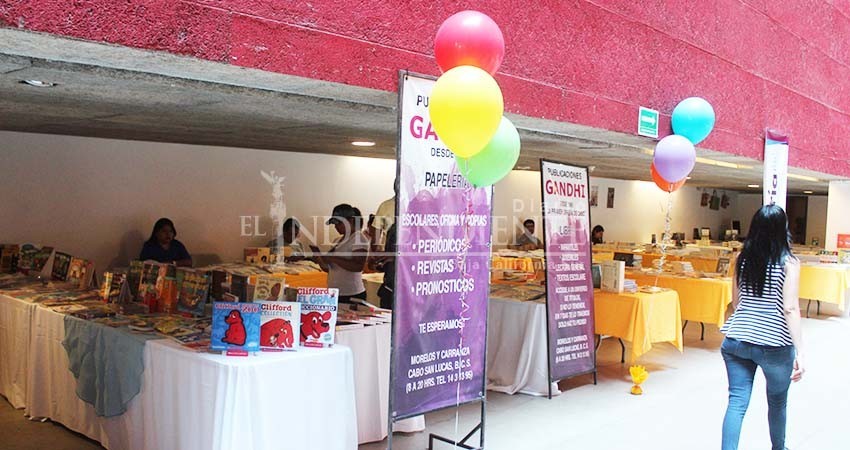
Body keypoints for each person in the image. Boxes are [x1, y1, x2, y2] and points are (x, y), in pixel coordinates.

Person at [719, 204, 804, 450]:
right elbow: (790, 308)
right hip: (774, 344)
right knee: (777, 402)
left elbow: (736, 302)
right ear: (783, 230)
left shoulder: (741, 259)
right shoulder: (789, 263)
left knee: (736, 402)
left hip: (736, 340)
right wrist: (800, 351)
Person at [310, 204, 369, 303]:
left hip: (351, 293)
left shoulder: (359, 238)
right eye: (335, 224)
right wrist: (320, 259)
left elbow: (358, 266)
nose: (336, 227)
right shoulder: (336, 241)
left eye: (339, 223)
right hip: (334, 293)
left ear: (350, 221)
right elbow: (330, 269)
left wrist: (333, 258)